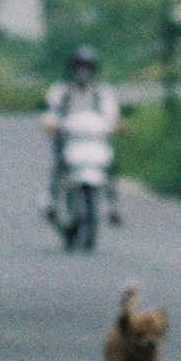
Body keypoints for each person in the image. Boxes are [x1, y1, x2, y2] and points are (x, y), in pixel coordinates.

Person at [42, 43, 121, 237]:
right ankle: (52, 201)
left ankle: (112, 205)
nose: (83, 71)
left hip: (94, 142)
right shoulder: (61, 91)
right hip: (70, 140)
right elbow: (51, 113)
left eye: (87, 67)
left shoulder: (102, 93)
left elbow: (111, 115)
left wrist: (117, 126)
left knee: (110, 165)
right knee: (61, 165)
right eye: (79, 66)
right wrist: (51, 123)